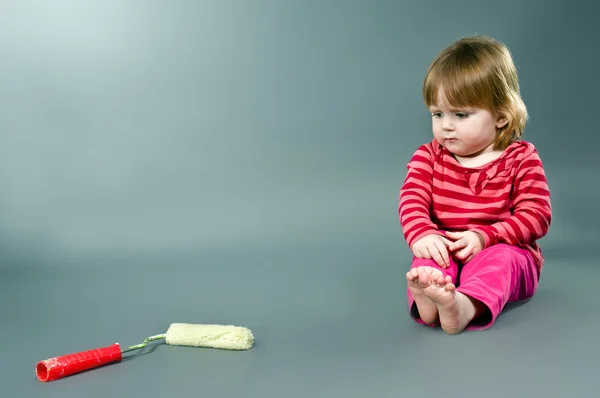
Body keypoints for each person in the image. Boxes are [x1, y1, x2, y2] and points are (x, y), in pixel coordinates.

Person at [398, 35, 552, 334]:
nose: (446, 125)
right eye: (437, 113)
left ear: (501, 117)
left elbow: (537, 214)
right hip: (449, 247)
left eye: (460, 114)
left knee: (501, 261)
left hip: (503, 248)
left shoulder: (520, 157)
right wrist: (423, 233)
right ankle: (428, 302)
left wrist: (486, 237)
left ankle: (464, 305)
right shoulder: (428, 156)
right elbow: (412, 198)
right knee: (428, 259)